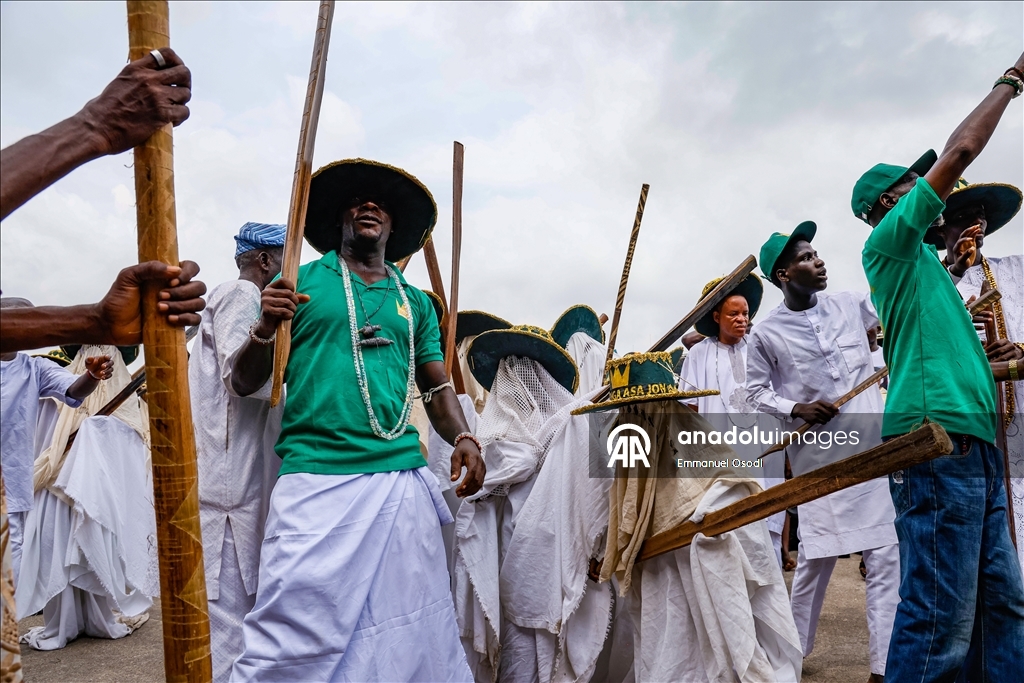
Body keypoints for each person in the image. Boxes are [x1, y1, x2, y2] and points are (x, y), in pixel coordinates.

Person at [228, 159, 485, 681]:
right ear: (337, 220)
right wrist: (264, 324)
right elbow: (241, 382)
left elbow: (436, 385)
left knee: (405, 628)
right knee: (289, 631)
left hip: (398, 481)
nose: (370, 207)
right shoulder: (297, 280)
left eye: (381, 205)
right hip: (314, 479)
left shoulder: (414, 303)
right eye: (357, 201)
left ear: (394, 229)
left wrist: (463, 436)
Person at [853, 52, 1024, 680]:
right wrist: (1012, 81)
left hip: (974, 442)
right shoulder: (889, 248)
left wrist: (1000, 365)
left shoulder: (934, 276)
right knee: (940, 616)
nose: (939, 190)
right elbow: (961, 151)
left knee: (1002, 604)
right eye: (915, 186)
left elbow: (947, 358)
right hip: (935, 441)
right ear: (889, 208)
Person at [746, 223, 899, 683]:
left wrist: (950, 267)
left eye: (818, 253)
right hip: (820, 457)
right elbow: (753, 392)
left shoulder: (851, 304)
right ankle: (792, 655)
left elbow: (900, 299)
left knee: (887, 555)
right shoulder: (766, 334)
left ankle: (883, 667)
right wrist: (796, 406)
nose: (820, 261)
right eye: (808, 258)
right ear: (784, 274)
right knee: (817, 559)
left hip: (873, 449)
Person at [188, 222, 287, 682]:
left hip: (236, 484)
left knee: (238, 619)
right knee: (229, 624)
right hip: (229, 490)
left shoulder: (240, 299)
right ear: (265, 260)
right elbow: (241, 379)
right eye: (288, 258)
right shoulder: (241, 294)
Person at [17, 345, 155, 650]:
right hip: (60, 490)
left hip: (95, 498)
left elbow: (129, 451)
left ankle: (96, 618)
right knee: (63, 555)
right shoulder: (54, 390)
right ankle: (64, 623)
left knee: (91, 553)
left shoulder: (121, 416)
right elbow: (44, 440)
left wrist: (97, 435)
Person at [931, 179, 1024, 572]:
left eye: (981, 214)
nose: (976, 223)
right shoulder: (930, 285)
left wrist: (1018, 354)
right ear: (941, 229)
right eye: (963, 216)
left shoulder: (1017, 270)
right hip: (968, 430)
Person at [0, 298, 113, 586]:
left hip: (10, 491)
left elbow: (73, 390)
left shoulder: (34, 368)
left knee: (6, 577)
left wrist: (91, 376)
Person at [679, 273, 788, 564]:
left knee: (767, 518)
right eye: (733, 313)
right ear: (716, 316)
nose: (741, 319)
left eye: (745, 313)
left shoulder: (759, 348)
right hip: (721, 452)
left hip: (763, 449)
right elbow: (689, 409)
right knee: (726, 524)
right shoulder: (698, 355)